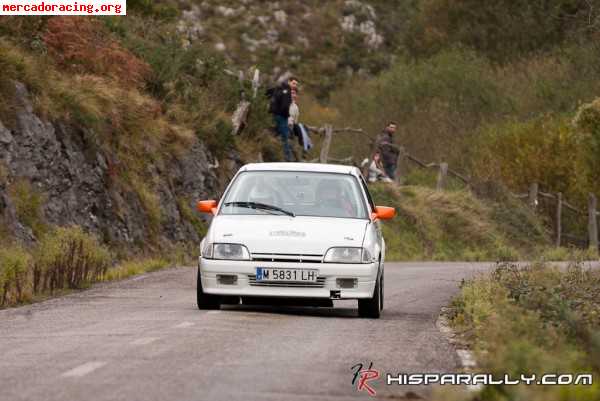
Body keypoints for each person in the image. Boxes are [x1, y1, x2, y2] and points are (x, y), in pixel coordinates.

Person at [269, 76, 299, 162]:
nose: (294, 86)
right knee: (285, 137)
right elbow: (285, 106)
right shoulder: (287, 91)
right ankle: (288, 159)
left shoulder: (279, 88)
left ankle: (278, 155)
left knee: (277, 134)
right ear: (289, 82)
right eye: (293, 83)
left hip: (274, 115)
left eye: (296, 84)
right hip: (281, 116)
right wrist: (287, 115)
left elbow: (268, 94)